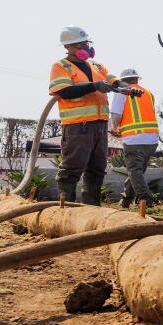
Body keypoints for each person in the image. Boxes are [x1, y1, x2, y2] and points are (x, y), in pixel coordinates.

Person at [48, 26, 120, 205]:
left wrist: (121, 85)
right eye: (80, 44)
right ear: (68, 47)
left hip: (100, 125)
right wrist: (94, 86)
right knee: (72, 168)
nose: (86, 47)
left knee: (97, 169)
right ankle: (66, 209)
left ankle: (91, 210)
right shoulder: (60, 66)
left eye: (87, 43)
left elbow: (112, 79)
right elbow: (63, 91)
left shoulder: (97, 65)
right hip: (78, 126)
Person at [109, 68, 159, 208]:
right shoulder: (149, 93)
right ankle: (125, 201)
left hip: (134, 139)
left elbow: (116, 114)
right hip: (152, 139)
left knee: (134, 171)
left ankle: (146, 200)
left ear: (123, 81)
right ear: (137, 79)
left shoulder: (122, 91)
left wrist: (115, 129)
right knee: (137, 172)